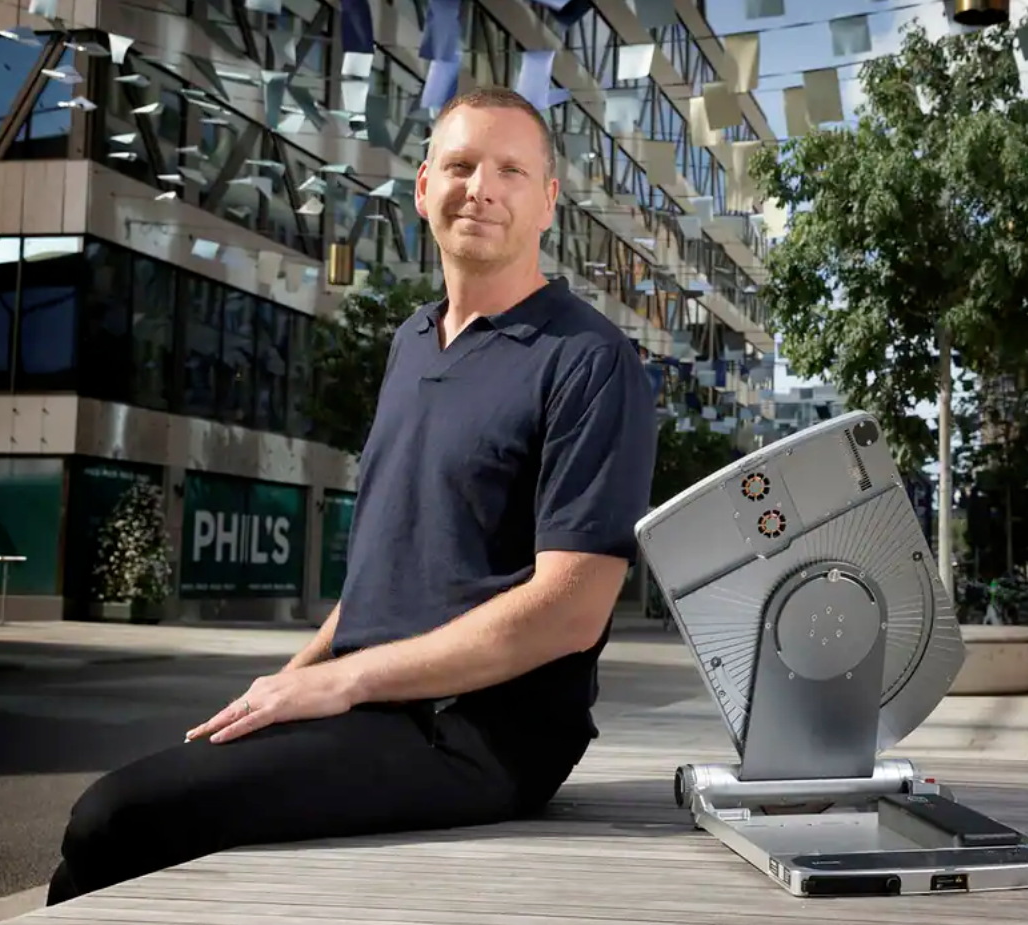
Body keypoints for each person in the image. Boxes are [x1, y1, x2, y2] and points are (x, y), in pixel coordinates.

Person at [45, 86, 659, 905]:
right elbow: (385, 572)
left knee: (111, 817)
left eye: (510, 170)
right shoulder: (411, 342)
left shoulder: (588, 360)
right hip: (373, 706)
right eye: (461, 164)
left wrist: (344, 682)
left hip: (477, 733)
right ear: (421, 188)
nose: (481, 187)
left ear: (548, 203)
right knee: (115, 834)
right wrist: (286, 680)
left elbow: (571, 609)